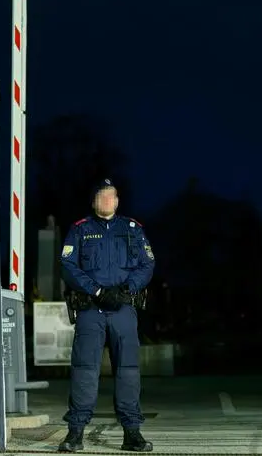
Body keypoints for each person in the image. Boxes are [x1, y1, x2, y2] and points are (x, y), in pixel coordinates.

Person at [57, 179, 156, 453]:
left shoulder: (133, 229)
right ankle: (75, 433)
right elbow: (67, 264)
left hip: (124, 309)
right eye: (102, 196)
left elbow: (148, 264)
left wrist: (127, 288)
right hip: (91, 310)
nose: (107, 201)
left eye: (111, 196)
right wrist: (97, 290)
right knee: (84, 370)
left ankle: (132, 433)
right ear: (93, 201)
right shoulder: (80, 230)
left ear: (118, 201)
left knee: (128, 371)